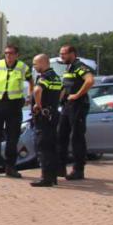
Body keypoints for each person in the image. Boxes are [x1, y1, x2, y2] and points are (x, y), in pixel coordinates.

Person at [0, 44, 34, 178]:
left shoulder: (23, 67)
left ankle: (10, 167)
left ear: (17, 55)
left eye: (11, 53)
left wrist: (29, 96)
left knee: (12, 138)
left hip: (14, 106)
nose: (8, 56)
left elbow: (31, 81)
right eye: (6, 53)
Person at [57, 45, 95, 180]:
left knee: (77, 137)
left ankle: (78, 170)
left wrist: (77, 95)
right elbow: (66, 86)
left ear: (72, 53)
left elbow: (90, 80)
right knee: (61, 135)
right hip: (67, 106)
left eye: (64, 54)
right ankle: (60, 168)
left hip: (78, 105)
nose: (61, 56)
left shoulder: (79, 66)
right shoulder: (68, 67)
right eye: (60, 54)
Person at [30, 54, 62, 187]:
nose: (34, 66)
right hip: (53, 114)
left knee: (42, 147)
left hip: (43, 117)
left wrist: (37, 105)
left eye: (35, 64)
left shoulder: (44, 77)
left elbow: (37, 90)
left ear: (43, 63)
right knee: (51, 146)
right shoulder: (56, 76)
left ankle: (45, 178)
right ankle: (52, 176)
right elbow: (62, 92)